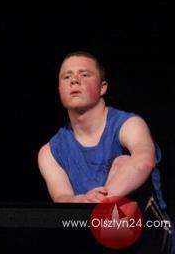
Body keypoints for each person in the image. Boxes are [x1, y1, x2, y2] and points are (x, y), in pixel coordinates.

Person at [38, 51, 173, 253]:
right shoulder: (49, 151)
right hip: (92, 238)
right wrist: (79, 201)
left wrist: (101, 201)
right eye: (66, 76)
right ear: (59, 90)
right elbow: (62, 197)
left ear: (103, 87)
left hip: (147, 236)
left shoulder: (129, 124)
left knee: (122, 162)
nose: (74, 80)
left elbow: (144, 160)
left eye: (84, 74)